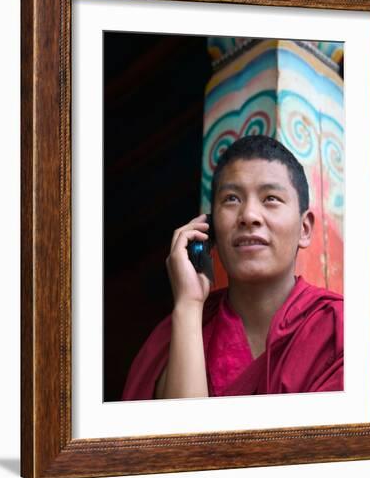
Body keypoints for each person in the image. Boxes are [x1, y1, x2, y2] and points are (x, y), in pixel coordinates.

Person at [122, 135, 343, 400]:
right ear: (209, 227)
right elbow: (181, 440)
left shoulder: (339, 328)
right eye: (231, 199)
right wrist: (189, 305)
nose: (249, 215)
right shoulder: (174, 336)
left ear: (304, 229)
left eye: (270, 198)